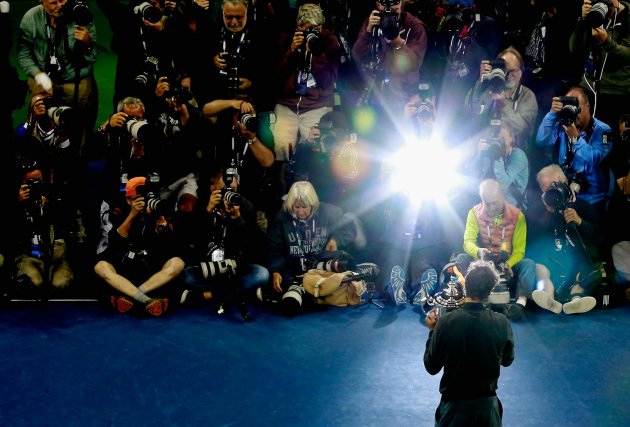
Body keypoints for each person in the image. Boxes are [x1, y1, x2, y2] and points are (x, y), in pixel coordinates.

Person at [424, 259, 514, 427]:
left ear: (466, 286)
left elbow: (431, 366)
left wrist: (432, 332)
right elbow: (507, 360)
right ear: (490, 290)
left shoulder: (445, 322)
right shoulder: (502, 323)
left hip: (453, 408)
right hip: (488, 409)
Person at [181, 167, 269, 318]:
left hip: (235, 267)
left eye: (233, 189)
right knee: (186, 276)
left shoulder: (245, 206)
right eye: (225, 190)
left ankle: (206, 295)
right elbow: (193, 240)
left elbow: (252, 245)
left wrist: (237, 219)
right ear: (213, 189)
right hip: (209, 268)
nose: (230, 194)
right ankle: (241, 294)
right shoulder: (203, 206)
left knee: (262, 274)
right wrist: (207, 212)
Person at [94, 176, 185, 317]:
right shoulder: (119, 212)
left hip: (151, 272)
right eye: (137, 199)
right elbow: (115, 242)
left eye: (144, 198)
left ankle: (134, 296)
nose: (142, 202)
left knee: (178, 263)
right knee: (100, 266)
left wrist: (159, 220)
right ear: (128, 200)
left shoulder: (158, 210)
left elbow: (171, 246)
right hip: (126, 269)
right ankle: (145, 300)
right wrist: (133, 214)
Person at [17, 0, 98, 153]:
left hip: (76, 76)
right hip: (44, 74)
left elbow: (93, 57)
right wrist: (37, 74)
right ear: (42, 1)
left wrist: (87, 44)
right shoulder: (31, 17)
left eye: (63, 0)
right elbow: (23, 55)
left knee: (83, 101)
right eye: (54, 2)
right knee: (38, 101)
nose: (60, 5)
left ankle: (78, 155)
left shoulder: (80, 13)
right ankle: (35, 154)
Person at [263, 181, 356, 313]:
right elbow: (274, 248)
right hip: (293, 271)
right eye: (296, 207)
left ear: (312, 204)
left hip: (321, 269)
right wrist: (276, 271)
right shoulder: (281, 219)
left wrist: (336, 239)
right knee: (291, 297)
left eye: (304, 207)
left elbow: (349, 228)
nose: (300, 212)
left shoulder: (328, 212)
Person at [272, 3, 341, 178]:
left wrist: (317, 54)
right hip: (288, 104)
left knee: (313, 148)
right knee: (281, 149)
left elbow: (327, 81)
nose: (313, 33)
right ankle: (283, 191)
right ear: (299, 27)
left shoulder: (330, 41)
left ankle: (309, 190)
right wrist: (291, 51)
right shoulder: (286, 38)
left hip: (317, 104)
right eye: (309, 29)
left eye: (317, 28)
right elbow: (275, 77)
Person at [526, 164, 601, 314]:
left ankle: (576, 300)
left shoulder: (582, 206)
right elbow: (532, 241)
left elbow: (599, 238)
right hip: (550, 260)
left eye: (554, 186)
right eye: (545, 188)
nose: (551, 192)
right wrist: (547, 213)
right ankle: (549, 296)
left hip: (577, 262)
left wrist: (580, 221)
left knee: (586, 266)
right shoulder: (536, 209)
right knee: (539, 266)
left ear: (564, 182)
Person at [463, 179, 537, 321]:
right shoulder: (474, 213)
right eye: (486, 203)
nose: (491, 208)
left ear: (502, 196)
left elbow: (519, 250)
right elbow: (467, 243)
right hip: (484, 263)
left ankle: (520, 305)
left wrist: (509, 264)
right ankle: (475, 300)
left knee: (528, 264)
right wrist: (480, 252)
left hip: (507, 264)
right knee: (462, 259)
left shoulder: (518, 216)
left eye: (494, 203)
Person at [535, 86, 613, 211]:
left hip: (593, 200)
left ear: (587, 105)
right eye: (571, 107)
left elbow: (594, 159)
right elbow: (541, 140)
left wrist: (576, 138)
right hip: (567, 195)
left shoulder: (603, 131)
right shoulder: (564, 125)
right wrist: (551, 114)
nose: (574, 112)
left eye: (578, 108)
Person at [13, 161, 74, 297]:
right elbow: (9, 231)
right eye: (31, 181)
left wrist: (48, 209)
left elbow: (65, 226)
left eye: (38, 180)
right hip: (28, 255)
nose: (36, 184)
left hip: (55, 257)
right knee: (34, 283)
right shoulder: (16, 201)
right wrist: (17, 205)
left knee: (60, 284)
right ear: (23, 182)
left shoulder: (54, 197)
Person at [352, 0, 427, 107]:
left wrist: (398, 41)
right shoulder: (372, 24)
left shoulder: (414, 26)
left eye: (395, 7)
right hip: (375, 95)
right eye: (385, 6)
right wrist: (368, 32)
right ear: (378, 4)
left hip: (403, 97)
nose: (390, 10)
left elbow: (415, 64)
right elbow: (356, 55)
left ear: (401, 3)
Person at [569, 0, 630, 131]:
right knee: (583, 138)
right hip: (589, 86)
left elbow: (628, 55)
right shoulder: (592, 13)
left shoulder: (627, 15)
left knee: (610, 141)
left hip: (616, 91)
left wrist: (606, 42)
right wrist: (583, 22)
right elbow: (574, 49)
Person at [465, 46, 539, 144]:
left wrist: (503, 104)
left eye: (512, 71)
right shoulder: (489, 90)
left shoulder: (527, 96)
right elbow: (469, 110)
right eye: (504, 69)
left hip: (514, 151)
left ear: (521, 71)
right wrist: (480, 81)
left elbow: (523, 130)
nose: (507, 75)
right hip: (485, 146)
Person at [475, 122, 529, 210]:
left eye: (502, 139)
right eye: (495, 139)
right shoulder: (490, 151)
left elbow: (503, 184)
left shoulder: (518, 155)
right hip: (491, 205)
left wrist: (497, 157)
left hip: (511, 208)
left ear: (511, 138)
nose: (498, 143)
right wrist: (480, 154)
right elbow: (480, 178)